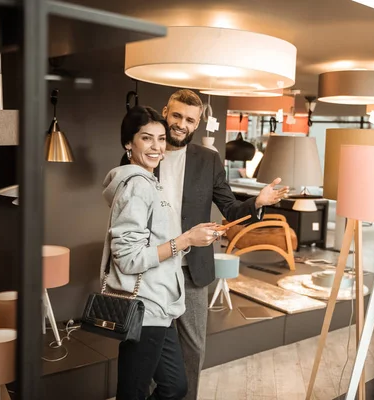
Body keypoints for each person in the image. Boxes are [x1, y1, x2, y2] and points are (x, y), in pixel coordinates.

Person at [155, 89, 289, 399]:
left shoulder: (208, 159)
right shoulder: (147, 150)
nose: (181, 124)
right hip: (154, 266)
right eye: (176, 116)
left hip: (193, 270)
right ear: (165, 112)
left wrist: (257, 201)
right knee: (151, 346)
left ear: (198, 123)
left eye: (189, 119)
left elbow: (229, 207)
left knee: (192, 348)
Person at [101, 105, 223, 400]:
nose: (157, 147)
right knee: (134, 392)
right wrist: (185, 240)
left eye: (160, 138)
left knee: (175, 386)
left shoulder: (149, 182)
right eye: (146, 139)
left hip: (160, 308)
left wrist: (195, 238)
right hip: (143, 307)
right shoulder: (137, 187)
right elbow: (128, 258)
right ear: (129, 143)